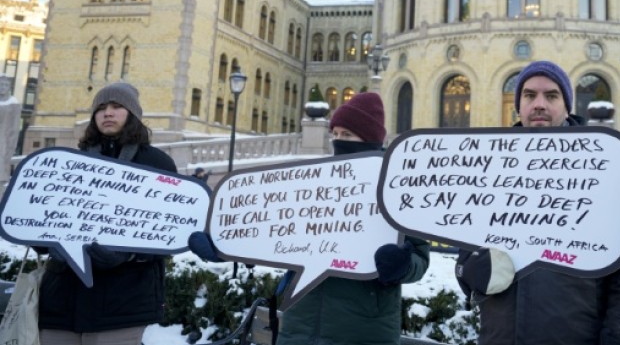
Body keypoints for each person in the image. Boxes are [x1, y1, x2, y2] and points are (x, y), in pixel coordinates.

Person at [189, 91, 430, 345]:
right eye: (334, 134)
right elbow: (271, 233)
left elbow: (420, 258)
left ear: (369, 139)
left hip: (362, 332)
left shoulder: (397, 187)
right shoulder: (315, 185)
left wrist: (401, 266)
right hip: (299, 326)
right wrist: (226, 245)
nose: (338, 140)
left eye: (347, 135)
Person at [455, 60, 620, 344]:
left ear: (567, 105)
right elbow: (465, 261)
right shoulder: (491, 171)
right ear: (518, 105)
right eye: (530, 95)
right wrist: (470, 269)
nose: (539, 104)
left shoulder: (602, 171)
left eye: (552, 95)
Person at [38, 81, 177, 345]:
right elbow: (41, 217)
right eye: (101, 108)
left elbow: (170, 231)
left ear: (132, 114)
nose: (108, 113)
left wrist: (129, 253)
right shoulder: (68, 163)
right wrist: (43, 241)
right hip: (61, 303)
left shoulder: (157, 164)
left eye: (116, 106)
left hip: (122, 306)